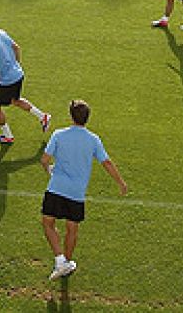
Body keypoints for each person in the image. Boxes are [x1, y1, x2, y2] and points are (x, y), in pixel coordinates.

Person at [40, 99, 128, 280]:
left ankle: (60, 260)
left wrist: (50, 170)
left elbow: (44, 160)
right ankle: (66, 262)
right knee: (72, 229)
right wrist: (121, 182)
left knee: (48, 223)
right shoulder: (93, 140)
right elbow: (107, 163)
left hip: (56, 188)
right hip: (76, 194)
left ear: (71, 116)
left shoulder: (58, 134)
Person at [0, 15, 50, 144]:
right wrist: (16, 65)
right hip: (19, 74)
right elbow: (17, 47)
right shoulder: (0, 33)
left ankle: (7, 136)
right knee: (15, 100)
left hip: (8, 80)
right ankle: (43, 116)